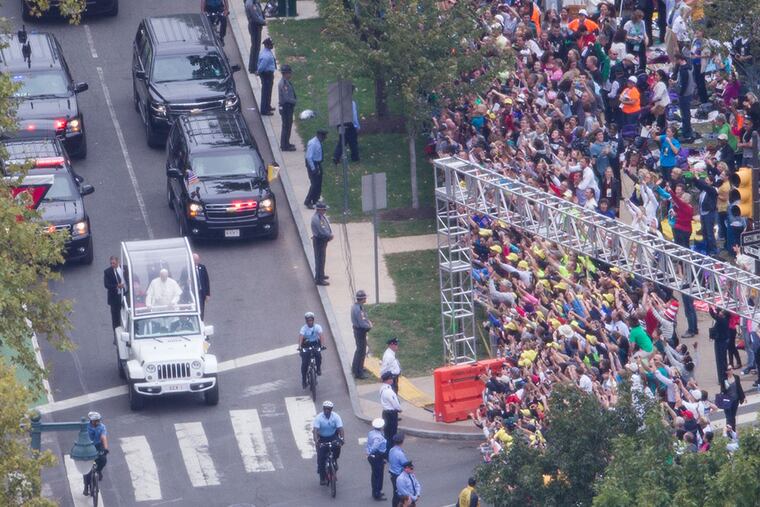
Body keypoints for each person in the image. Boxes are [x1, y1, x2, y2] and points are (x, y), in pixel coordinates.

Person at [312, 401, 344, 485]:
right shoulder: (318, 418)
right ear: (323, 409)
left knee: (337, 447)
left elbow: (340, 428)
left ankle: (334, 460)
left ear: (331, 409)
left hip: (332, 436)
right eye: (325, 409)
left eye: (329, 409)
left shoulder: (336, 416)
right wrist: (316, 442)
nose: (327, 411)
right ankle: (322, 477)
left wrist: (342, 438)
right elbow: (315, 431)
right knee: (321, 459)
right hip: (322, 438)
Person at [83, 411, 109, 497]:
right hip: (87, 446)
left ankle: (99, 471)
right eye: (96, 420)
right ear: (91, 421)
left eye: (99, 420)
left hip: (98, 446)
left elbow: (103, 437)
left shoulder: (102, 427)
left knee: (103, 459)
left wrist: (105, 449)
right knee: (87, 468)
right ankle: (86, 486)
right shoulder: (85, 426)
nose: (98, 422)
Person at [673, 50, 696, 142]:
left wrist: (680, 93)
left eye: (676, 60)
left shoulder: (683, 70)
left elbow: (684, 84)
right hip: (690, 92)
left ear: (679, 59)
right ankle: (687, 130)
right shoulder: (689, 64)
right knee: (687, 113)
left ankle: (686, 133)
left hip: (685, 95)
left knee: (685, 114)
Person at [299, 312, 324, 388]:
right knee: (304, 364)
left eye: (311, 320)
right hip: (306, 345)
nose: (310, 322)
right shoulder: (303, 328)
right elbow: (301, 337)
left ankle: (318, 368)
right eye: (308, 321)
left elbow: (321, 336)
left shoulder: (318, 327)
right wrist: (300, 346)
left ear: (313, 320)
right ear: (306, 321)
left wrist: (322, 345)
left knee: (318, 355)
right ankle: (304, 380)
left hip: (315, 344)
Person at [351, 289, 372, 378]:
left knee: (359, 350)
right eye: (364, 298)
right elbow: (361, 322)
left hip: (357, 330)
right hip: (360, 331)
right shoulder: (358, 310)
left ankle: (355, 368)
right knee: (361, 351)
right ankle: (359, 373)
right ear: (362, 299)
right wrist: (369, 326)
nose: (365, 299)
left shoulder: (356, 306)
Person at [310, 201, 333, 286]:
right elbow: (321, 231)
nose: (325, 211)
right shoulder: (316, 219)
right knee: (319, 259)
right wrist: (329, 235)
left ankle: (321, 275)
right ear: (319, 210)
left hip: (322, 240)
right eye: (323, 209)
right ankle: (319, 279)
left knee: (322, 259)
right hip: (319, 240)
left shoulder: (320, 217)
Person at [333, 97, 360, 164]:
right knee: (353, 142)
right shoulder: (352, 103)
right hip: (350, 125)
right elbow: (354, 115)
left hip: (340, 125)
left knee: (341, 141)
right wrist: (357, 125)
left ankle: (336, 157)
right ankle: (355, 157)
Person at [304, 130, 327, 209]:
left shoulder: (317, 142)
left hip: (317, 163)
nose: (325, 138)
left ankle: (315, 199)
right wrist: (313, 168)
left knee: (319, 182)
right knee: (314, 183)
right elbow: (309, 157)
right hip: (313, 164)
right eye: (324, 136)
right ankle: (308, 201)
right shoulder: (313, 143)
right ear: (320, 136)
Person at [366, 418, 388, 501]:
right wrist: (372, 453)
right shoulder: (378, 437)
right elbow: (375, 447)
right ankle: (377, 493)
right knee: (377, 475)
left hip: (374, 456)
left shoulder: (371, 433)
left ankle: (377, 490)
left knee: (376, 474)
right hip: (376, 456)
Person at [103, 256, 126, 330]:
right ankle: (116, 336)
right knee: (115, 318)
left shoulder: (124, 268)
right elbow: (106, 285)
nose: (112, 265)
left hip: (124, 296)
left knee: (126, 315)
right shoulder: (107, 272)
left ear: (118, 262)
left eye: (114, 263)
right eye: (111, 263)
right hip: (114, 298)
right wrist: (117, 286)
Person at [278, 65, 297, 151]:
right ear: (285, 74)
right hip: (286, 107)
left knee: (288, 126)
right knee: (286, 126)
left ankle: (286, 143)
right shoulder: (284, 84)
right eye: (289, 73)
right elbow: (286, 98)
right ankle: (285, 146)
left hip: (288, 107)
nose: (291, 74)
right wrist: (294, 101)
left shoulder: (286, 82)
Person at [721, 366, 745, 430]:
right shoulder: (724, 379)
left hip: (735, 400)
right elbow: (722, 390)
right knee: (729, 417)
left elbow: (739, 387)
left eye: (732, 368)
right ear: (726, 371)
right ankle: (729, 432)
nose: (731, 370)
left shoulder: (736, 377)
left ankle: (733, 430)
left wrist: (743, 397)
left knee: (733, 416)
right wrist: (726, 388)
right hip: (727, 401)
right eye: (729, 369)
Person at [244, 0, 266, 74]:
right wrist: (263, 22)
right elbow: (255, 17)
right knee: (255, 48)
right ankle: (254, 68)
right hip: (254, 27)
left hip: (257, 26)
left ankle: (253, 66)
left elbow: (259, 12)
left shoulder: (254, 2)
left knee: (256, 47)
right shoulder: (250, 4)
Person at [380, 371, 402, 443]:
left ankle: (387, 448)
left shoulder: (382, 388)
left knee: (387, 432)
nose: (392, 380)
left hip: (385, 413)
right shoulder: (389, 391)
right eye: (391, 378)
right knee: (392, 433)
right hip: (391, 414)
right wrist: (399, 409)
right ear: (388, 380)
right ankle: (391, 449)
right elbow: (395, 403)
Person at [257, 38, 276, 115]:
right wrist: (258, 72)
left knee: (268, 91)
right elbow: (261, 67)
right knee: (266, 92)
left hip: (268, 74)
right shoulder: (266, 56)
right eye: (271, 44)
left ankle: (268, 106)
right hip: (266, 75)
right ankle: (264, 110)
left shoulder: (266, 52)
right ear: (267, 45)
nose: (272, 46)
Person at [388, 433, 408, 507]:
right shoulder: (400, 454)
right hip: (398, 475)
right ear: (402, 442)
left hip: (392, 474)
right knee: (400, 494)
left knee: (395, 492)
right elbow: (405, 464)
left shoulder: (391, 450)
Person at [193, 253, 210, 320]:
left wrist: (207, 294)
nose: (196, 261)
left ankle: (201, 320)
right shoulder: (188, 269)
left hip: (201, 292)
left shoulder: (202, 267)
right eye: (195, 260)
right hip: (194, 293)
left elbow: (206, 280)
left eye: (197, 259)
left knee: (201, 308)